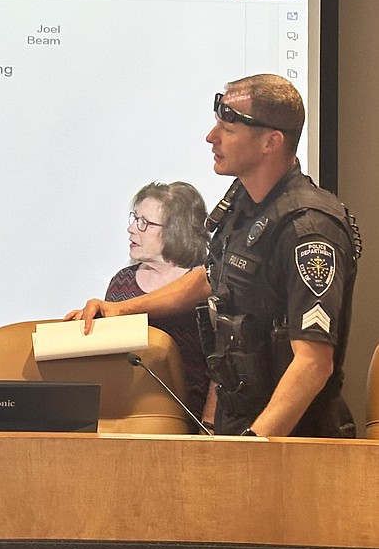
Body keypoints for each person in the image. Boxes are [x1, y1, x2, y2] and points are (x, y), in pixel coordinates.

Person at [69, 74, 360, 437]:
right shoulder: (245, 204)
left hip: (293, 444)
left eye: (229, 128)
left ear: (271, 142)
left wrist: (249, 449)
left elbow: (314, 363)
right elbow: (212, 275)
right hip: (239, 426)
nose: (212, 137)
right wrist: (123, 309)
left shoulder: (309, 229)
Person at [106, 181, 214, 427]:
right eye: (135, 218)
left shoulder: (206, 283)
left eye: (145, 223)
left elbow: (221, 368)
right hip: (127, 421)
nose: (132, 229)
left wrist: (208, 426)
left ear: (177, 231)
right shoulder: (121, 282)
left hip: (190, 423)